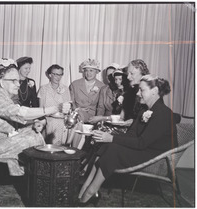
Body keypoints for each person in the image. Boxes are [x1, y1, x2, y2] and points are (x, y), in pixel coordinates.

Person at [78, 75, 178, 204]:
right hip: (144, 148)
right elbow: (131, 135)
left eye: (141, 90)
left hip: (156, 156)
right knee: (105, 145)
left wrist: (112, 138)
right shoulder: (145, 110)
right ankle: (85, 189)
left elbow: (142, 143)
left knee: (113, 149)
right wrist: (106, 137)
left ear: (154, 92)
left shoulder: (163, 113)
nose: (137, 93)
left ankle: (90, 192)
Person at [0, 58, 70, 176]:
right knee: (29, 139)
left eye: (18, 81)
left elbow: (16, 118)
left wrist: (34, 123)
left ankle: (38, 172)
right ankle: (41, 173)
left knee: (32, 132)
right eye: (13, 81)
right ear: (1, 81)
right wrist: (56, 108)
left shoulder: (4, 96)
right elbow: (21, 113)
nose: (18, 84)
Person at [68, 58, 104, 148]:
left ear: (97, 72)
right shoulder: (75, 84)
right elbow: (70, 102)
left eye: (91, 70)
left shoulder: (102, 86)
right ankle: (74, 148)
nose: (88, 73)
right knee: (78, 118)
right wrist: (77, 109)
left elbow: (101, 106)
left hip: (92, 115)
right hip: (77, 114)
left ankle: (71, 146)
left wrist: (98, 119)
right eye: (86, 70)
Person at [38, 64, 71, 145]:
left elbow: (68, 108)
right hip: (48, 118)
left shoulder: (65, 89)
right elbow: (41, 109)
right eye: (55, 74)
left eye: (60, 74)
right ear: (50, 75)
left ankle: (61, 147)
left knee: (63, 124)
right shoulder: (43, 89)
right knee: (54, 123)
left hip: (62, 119)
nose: (58, 77)